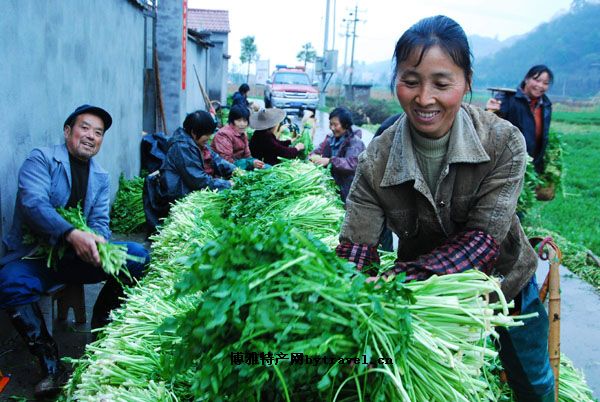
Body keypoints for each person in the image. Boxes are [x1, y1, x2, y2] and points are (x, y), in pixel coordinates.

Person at [335, 16, 555, 402]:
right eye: (410, 81)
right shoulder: (377, 159)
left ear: (466, 82)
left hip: (504, 285)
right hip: (423, 301)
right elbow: (357, 247)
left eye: (441, 83)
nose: (424, 98)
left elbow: (483, 241)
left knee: (532, 382)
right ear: (396, 81)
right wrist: (349, 288)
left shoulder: (504, 143)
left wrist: (398, 278)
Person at [0, 105, 150, 398]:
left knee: (137, 256)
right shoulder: (41, 160)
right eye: (85, 128)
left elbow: (100, 223)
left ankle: (102, 330)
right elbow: (33, 205)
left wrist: (98, 243)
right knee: (9, 282)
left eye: (98, 132)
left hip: (77, 258)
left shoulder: (100, 176)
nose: (91, 136)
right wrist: (70, 233)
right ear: (68, 131)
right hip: (34, 257)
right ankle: (51, 365)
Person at [143, 110, 236, 232]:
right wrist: (227, 184)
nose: (209, 138)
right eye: (206, 135)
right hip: (176, 194)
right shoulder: (182, 147)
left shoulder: (198, 143)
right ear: (193, 132)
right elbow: (198, 180)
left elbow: (217, 160)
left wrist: (236, 172)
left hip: (190, 188)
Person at [486, 65, 554, 174]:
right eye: (537, 80)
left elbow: (543, 137)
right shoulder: (507, 99)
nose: (540, 86)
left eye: (545, 83)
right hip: (508, 165)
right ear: (526, 79)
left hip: (532, 165)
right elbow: (491, 126)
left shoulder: (546, 105)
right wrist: (491, 111)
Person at [309, 107, 366, 203]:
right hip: (335, 185)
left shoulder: (355, 142)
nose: (332, 128)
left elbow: (352, 163)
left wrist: (330, 161)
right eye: (330, 124)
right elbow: (318, 151)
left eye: (335, 125)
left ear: (346, 125)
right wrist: (313, 156)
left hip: (350, 189)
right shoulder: (331, 139)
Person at [212, 105, 267, 171]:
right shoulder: (223, 135)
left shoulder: (242, 134)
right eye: (238, 120)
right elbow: (226, 162)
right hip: (225, 171)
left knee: (267, 167)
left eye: (245, 121)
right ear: (232, 121)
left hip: (240, 167)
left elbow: (247, 156)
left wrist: (255, 162)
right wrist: (250, 163)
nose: (242, 124)